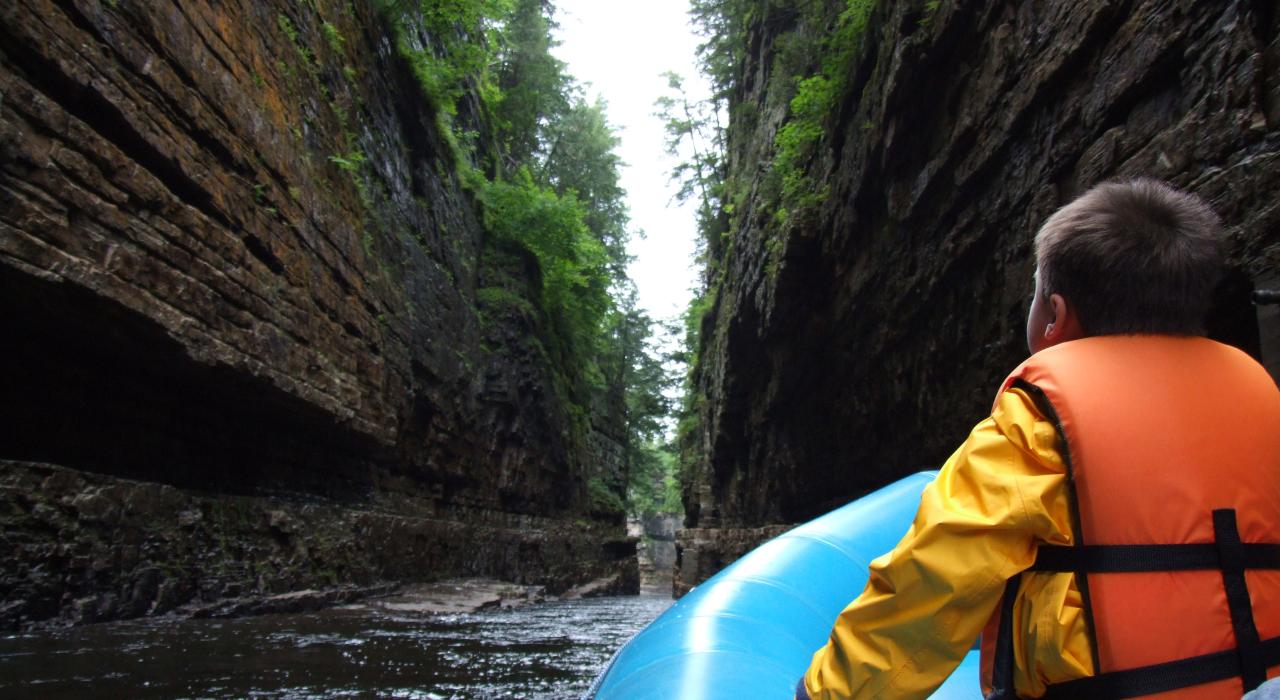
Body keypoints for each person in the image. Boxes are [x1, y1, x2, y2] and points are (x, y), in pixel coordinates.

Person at [797, 179, 1280, 699]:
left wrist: (828, 693)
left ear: (1054, 316)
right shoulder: (1260, 396)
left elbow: (936, 578)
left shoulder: (1036, 421)